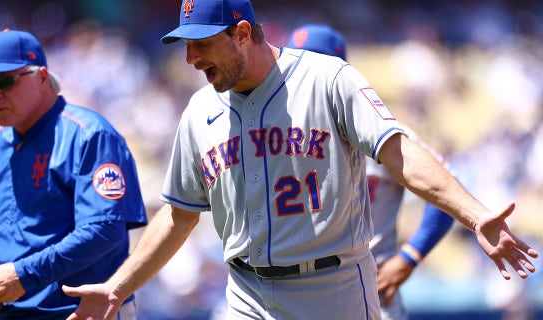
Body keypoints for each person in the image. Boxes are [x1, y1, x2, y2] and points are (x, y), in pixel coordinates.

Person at [62, 1, 538, 319]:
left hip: (333, 290)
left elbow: (400, 153)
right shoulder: (198, 111)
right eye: (184, 45)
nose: (189, 58)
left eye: (201, 43)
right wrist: (118, 286)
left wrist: (475, 217)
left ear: (242, 33)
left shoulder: (328, 79)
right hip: (245, 292)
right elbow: (179, 215)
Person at [0, 29, 147, 319]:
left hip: (80, 313)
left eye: (4, 81)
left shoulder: (89, 135)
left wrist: (23, 274)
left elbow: (104, 231)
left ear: (41, 77)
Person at [287, 23, 455, 320]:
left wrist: (410, 256)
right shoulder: (275, 140)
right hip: (300, 299)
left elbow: (446, 186)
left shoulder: (379, 130)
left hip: (371, 294)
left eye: (315, 63)